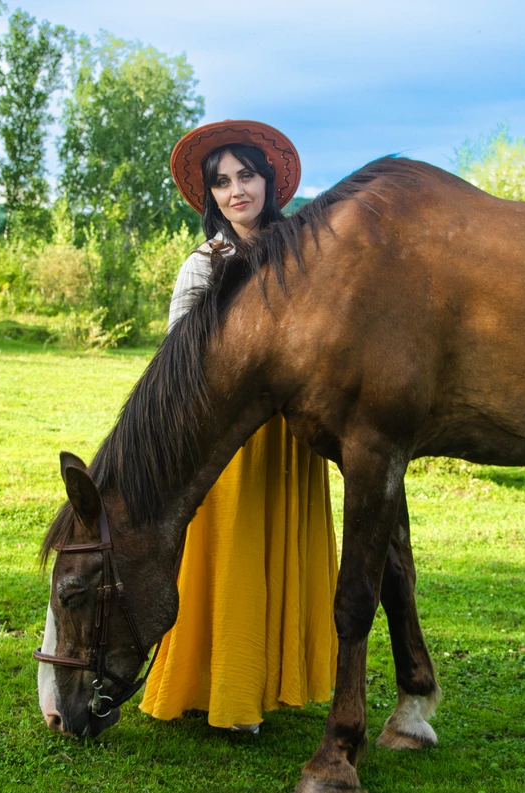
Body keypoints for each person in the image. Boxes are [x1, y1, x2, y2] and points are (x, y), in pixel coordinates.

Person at [137, 120, 339, 732]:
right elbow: (178, 363)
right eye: (221, 182)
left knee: (282, 549)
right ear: (212, 196)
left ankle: (275, 680)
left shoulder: (306, 254)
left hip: (291, 433)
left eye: (245, 175)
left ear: (268, 180)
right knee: (234, 556)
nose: (235, 191)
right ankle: (228, 690)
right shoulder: (204, 264)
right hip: (229, 437)